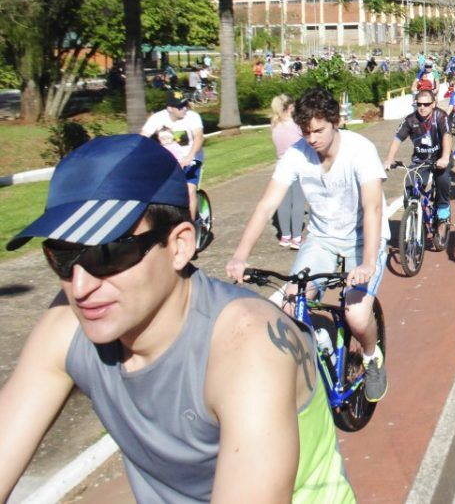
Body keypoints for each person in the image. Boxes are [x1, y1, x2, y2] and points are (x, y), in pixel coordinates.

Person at [0, 135, 354, 502]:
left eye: (107, 253)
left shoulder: (248, 343)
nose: (80, 285)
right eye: (62, 256)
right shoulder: (69, 323)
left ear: (180, 246)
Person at [227, 87, 389, 403]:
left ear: (336, 122)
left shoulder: (360, 150)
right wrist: (240, 256)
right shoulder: (296, 154)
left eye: (319, 130)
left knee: (356, 315)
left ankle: (372, 357)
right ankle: (321, 344)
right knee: (290, 307)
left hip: (362, 237)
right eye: (306, 132)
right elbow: (266, 205)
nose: (312, 138)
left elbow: (373, 208)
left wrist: (368, 263)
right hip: (322, 238)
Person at [383, 87, 453, 225]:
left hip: (439, 157)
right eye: (419, 104)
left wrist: (444, 158)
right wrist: (389, 159)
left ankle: (444, 206)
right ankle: (414, 219)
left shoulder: (440, 116)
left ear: (434, 104)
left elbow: (447, 135)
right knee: (409, 188)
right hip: (420, 159)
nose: (422, 107)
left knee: (442, 179)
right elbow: (398, 138)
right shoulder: (410, 120)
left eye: (426, 104)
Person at [139, 90, 205, 218]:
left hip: (192, 159)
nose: (184, 109)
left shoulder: (192, 117)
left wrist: (189, 157)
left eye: (185, 105)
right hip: (169, 161)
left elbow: (199, 137)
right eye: (180, 107)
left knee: (189, 190)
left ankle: (190, 227)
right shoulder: (157, 118)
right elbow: (143, 138)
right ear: (169, 108)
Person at [270, 94, 306, 250]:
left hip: (281, 165)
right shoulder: (296, 126)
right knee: (298, 202)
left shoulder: (275, 125)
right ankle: (296, 237)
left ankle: (285, 235)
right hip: (297, 166)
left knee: (283, 203)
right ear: (290, 108)